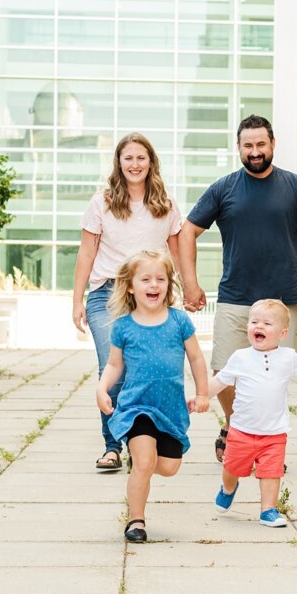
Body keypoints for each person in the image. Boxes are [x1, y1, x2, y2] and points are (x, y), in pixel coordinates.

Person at [178, 114, 297, 463]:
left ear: (272, 144)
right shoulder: (224, 188)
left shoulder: (296, 186)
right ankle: (236, 427)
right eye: (248, 145)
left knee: (275, 375)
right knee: (224, 371)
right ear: (239, 148)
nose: (255, 151)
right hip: (235, 297)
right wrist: (191, 283)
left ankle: (267, 440)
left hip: (282, 301)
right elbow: (187, 232)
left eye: (261, 144)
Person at [73, 133, 183, 471]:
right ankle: (112, 447)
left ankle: (140, 442)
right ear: (119, 163)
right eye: (128, 158)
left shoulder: (166, 204)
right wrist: (77, 299)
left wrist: (186, 289)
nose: (135, 164)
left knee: (143, 371)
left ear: (151, 162)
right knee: (113, 368)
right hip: (107, 293)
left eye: (141, 158)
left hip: (148, 296)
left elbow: (177, 252)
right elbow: (87, 251)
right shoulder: (102, 202)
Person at [96, 250, 210, 543]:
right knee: (145, 462)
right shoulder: (123, 326)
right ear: (131, 286)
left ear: (168, 285)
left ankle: (140, 463)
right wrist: (101, 388)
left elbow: (196, 359)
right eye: (145, 279)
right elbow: (114, 364)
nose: (154, 284)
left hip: (170, 409)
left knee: (169, 467)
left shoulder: (179, 321)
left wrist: (202, 393)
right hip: (137, 407)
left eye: (160, 278)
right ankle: (136, 520)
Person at [193, 299, 297, 527]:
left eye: (267, 323)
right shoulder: (240, 357)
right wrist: (200, 396)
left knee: (272, 472)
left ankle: (268, 510)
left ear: (282, 333)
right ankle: (229, 488)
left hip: (274, 432)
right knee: (231, 467)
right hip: (241, 429)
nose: (258, 326)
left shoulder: (288, 357)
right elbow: (220, 381)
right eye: (254, 322)